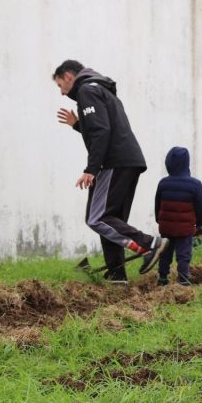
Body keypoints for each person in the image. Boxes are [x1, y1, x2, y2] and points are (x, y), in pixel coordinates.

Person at [53, 60, 167, 283]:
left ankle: (150, 244)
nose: (61, 92)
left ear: (68, 76)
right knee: (111, 222)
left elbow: (101, 131)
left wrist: (91, 169)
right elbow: (105, 127)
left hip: (113, 164)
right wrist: (78, 125)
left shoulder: (86, 90)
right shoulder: (101, 90)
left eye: (60, 85)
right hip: (129, 162)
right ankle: (117, 276)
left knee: (97, 218)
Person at [154, 146, 202, 286]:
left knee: (165, 252)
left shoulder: (163, 183)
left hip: (166, 227)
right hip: (185, 229)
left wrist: (159, 220)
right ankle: (183, 277)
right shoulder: (195, 184)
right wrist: (200, 224)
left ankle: (163, 277)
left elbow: (157, 204)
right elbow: (201, 206)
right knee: (184, 253)